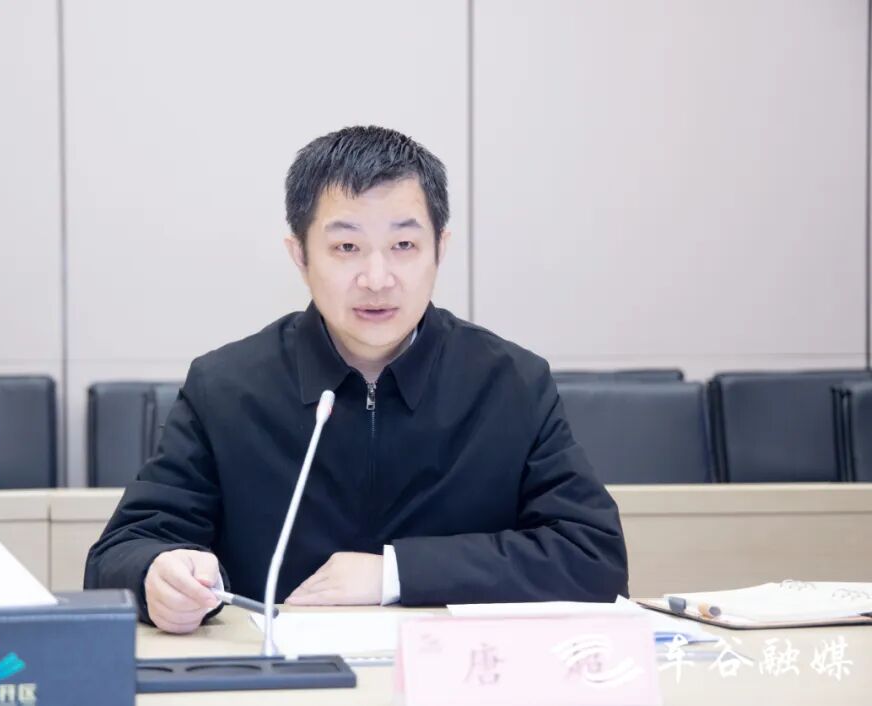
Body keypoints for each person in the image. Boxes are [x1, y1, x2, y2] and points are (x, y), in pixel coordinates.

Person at [84, 125, 628, 633]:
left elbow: (593, 557)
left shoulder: (510, 383)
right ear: (300, 255)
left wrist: (395, 573)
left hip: (451, 678)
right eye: (346, 247)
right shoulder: (226, 388)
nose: (377, 278)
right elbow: (119, 553)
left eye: (404, 246)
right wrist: (159, 573)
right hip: (280, 680)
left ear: (440, 249)